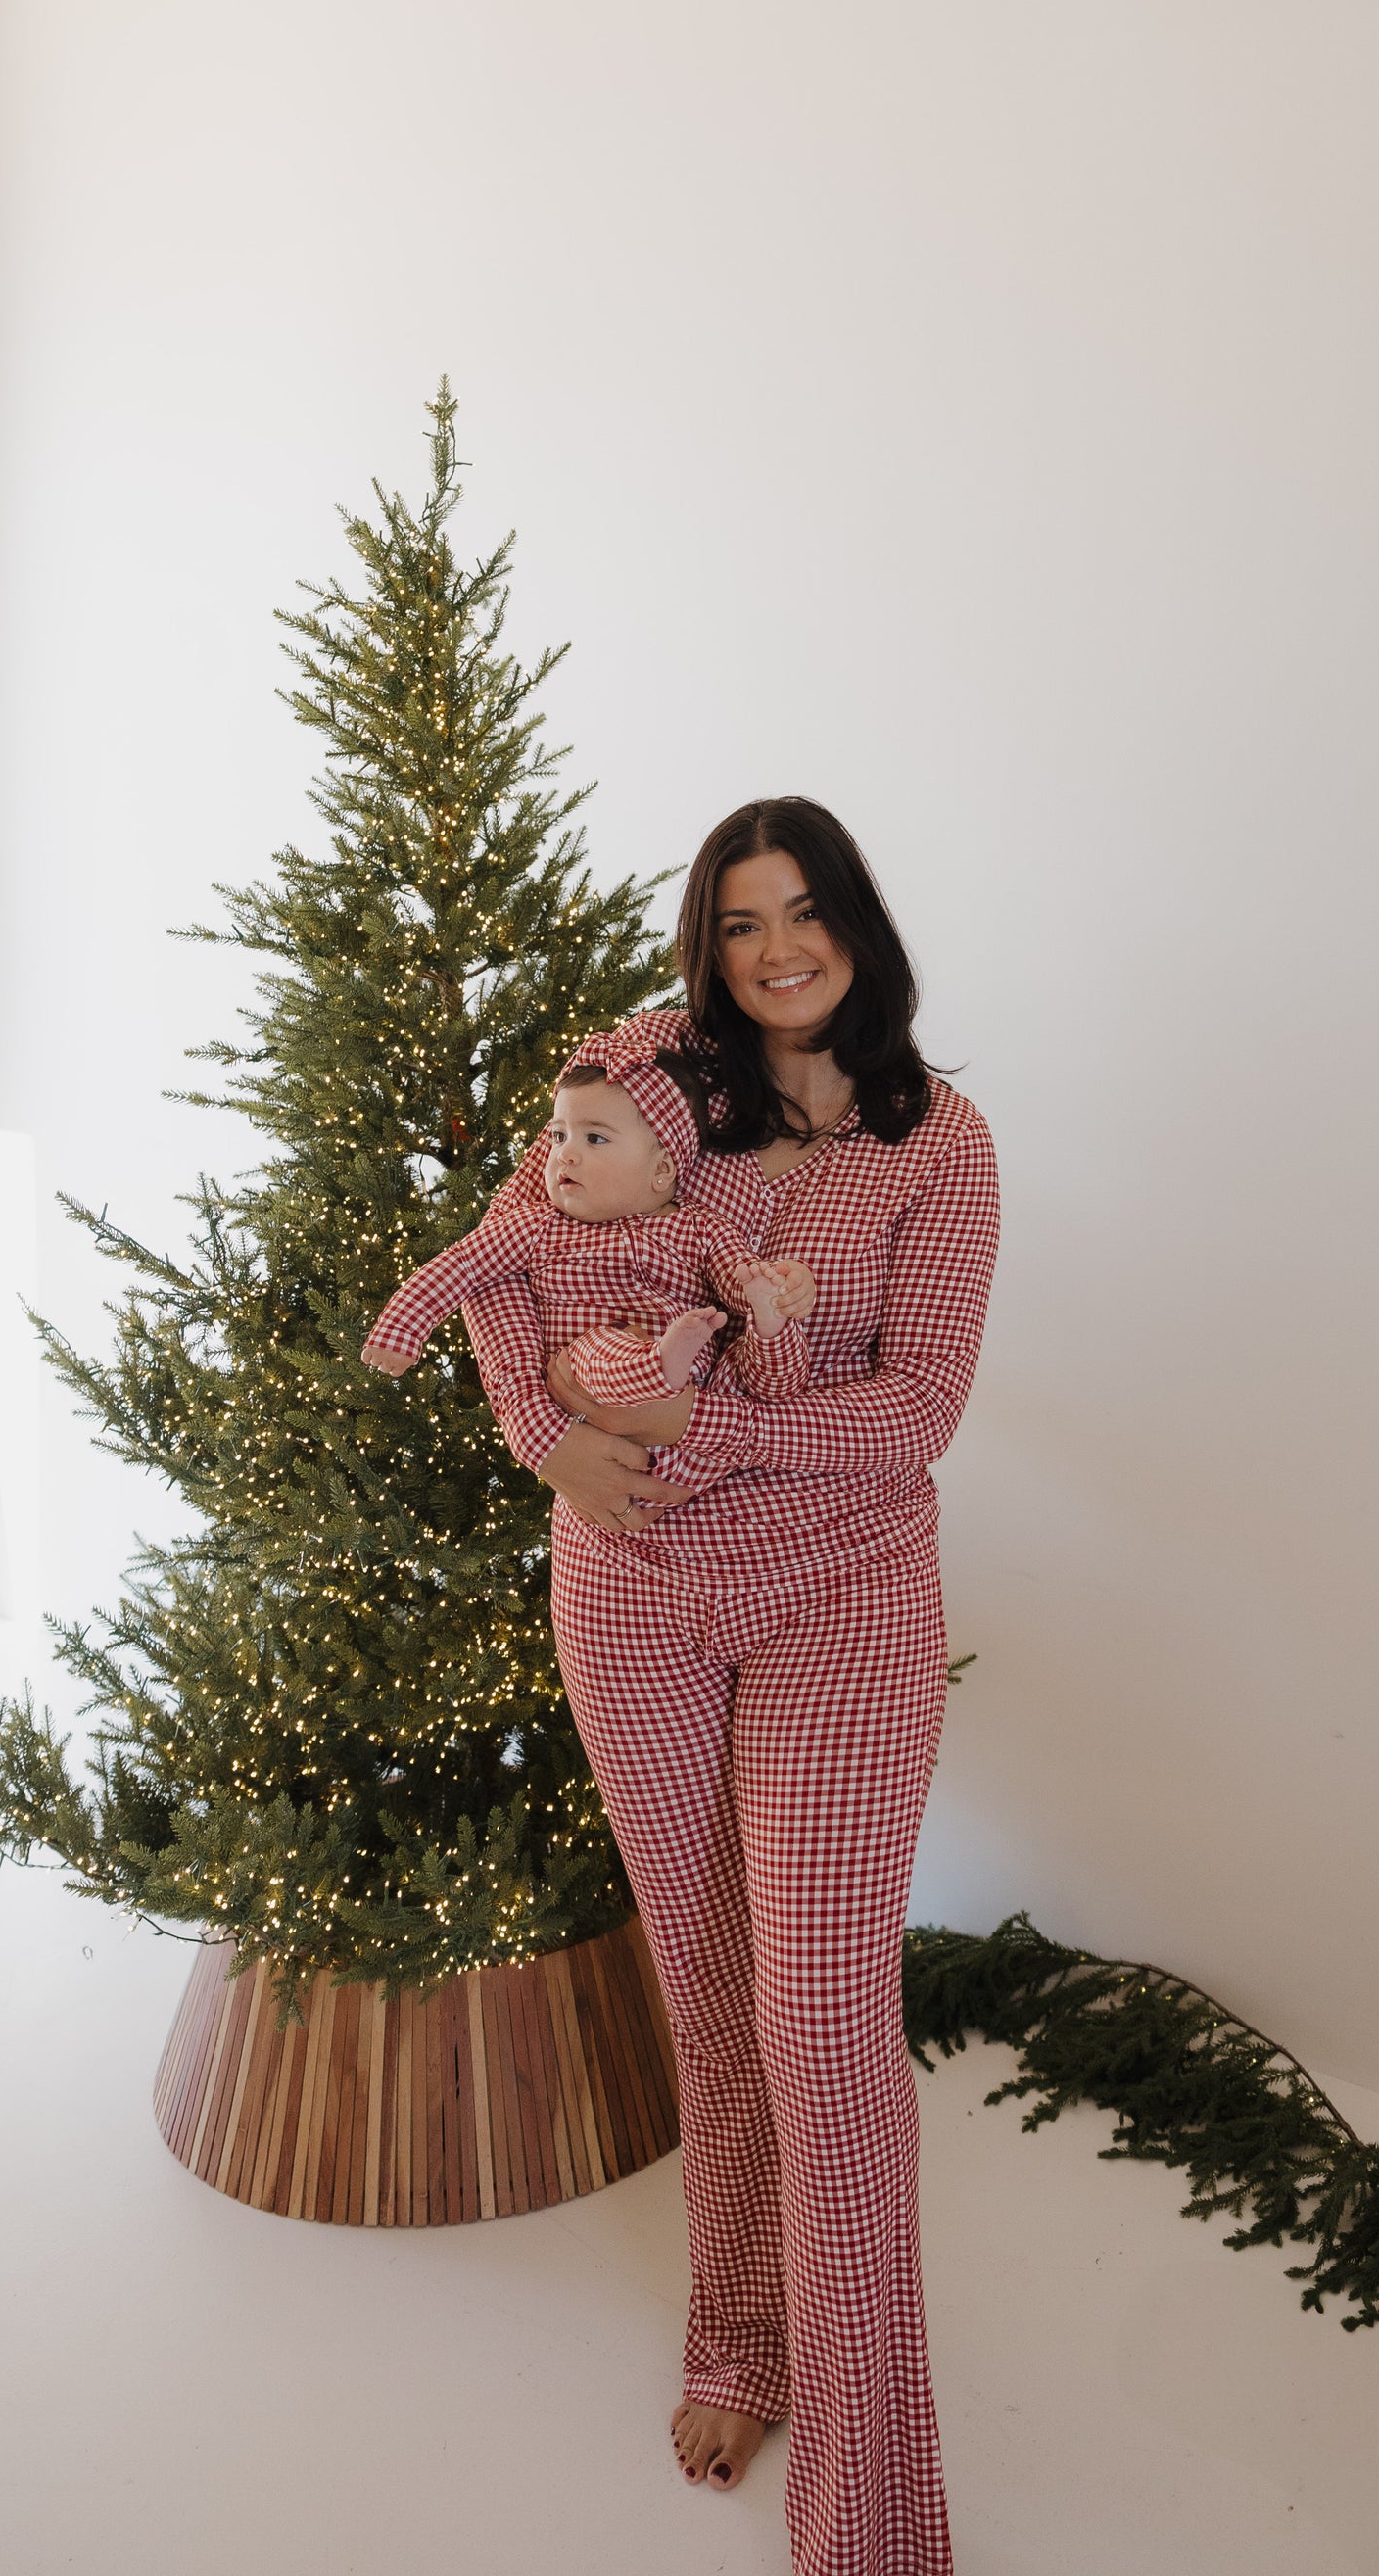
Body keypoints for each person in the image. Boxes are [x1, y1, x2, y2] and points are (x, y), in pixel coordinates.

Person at [449, 798, 999, 2576]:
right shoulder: (658, 1084)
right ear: (711, 941)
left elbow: (916, 1417)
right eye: (742, 919)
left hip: (842, 1603)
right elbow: (500, 1254)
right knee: (708, 1986)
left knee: (825, 2027)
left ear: (858, 924)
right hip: (632, 1603)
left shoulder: (942, 1146)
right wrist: (548, 1437)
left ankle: (872, 2501)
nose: (776, 948)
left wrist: (713, 1426)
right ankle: (740, 2340)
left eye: (805, 910)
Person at [357, 1042, 816, 1405]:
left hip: (699, 1397)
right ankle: (657, 1363)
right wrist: (403, 1328)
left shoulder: (702, 1227)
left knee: (754, 1365)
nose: (565, 1154)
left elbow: (737, 1277)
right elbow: (462, 1266)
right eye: (559, 1135)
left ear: (662, 1169)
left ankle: (767, 1328)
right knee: (593, 1352)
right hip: (596, 1384)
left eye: (595, 1138)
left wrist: (768, 1288)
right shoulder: (535, 1226)